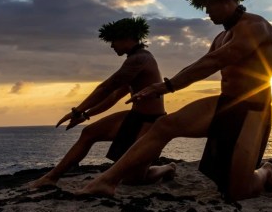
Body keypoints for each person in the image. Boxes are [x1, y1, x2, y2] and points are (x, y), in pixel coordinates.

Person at [79, 0, 272, 201]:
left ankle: (265, 171)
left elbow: (213, 63)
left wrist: (167, 86)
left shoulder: (255, 26)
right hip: (225, 102)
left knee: (237, 192)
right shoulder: (221, 36)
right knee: (164, 125)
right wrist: (165, 85)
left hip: (253, 109)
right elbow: (202, 63)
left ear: (226, 0)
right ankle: (107, 180)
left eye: (209, 5)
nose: (206, 12)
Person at [31, 17, 176, 188]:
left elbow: (106, 87)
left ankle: (168, 167)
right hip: (134, 117)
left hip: (150, 123)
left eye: (113, 40)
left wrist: (77, 111)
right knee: (89, 133)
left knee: (134, 180)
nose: (111, 45)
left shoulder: (140, 59)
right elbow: (114, 96)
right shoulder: (133, 60)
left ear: (126, 38)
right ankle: (51, 177)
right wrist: (86, 115)